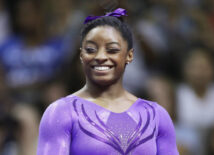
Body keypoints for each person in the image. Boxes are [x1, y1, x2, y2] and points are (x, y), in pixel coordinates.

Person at [37, 8, 178, 155]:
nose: (101, 57)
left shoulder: (157, 115)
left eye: (112, 49)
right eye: (91, 49)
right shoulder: (61, 112)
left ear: (129, 55)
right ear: (81, 55)